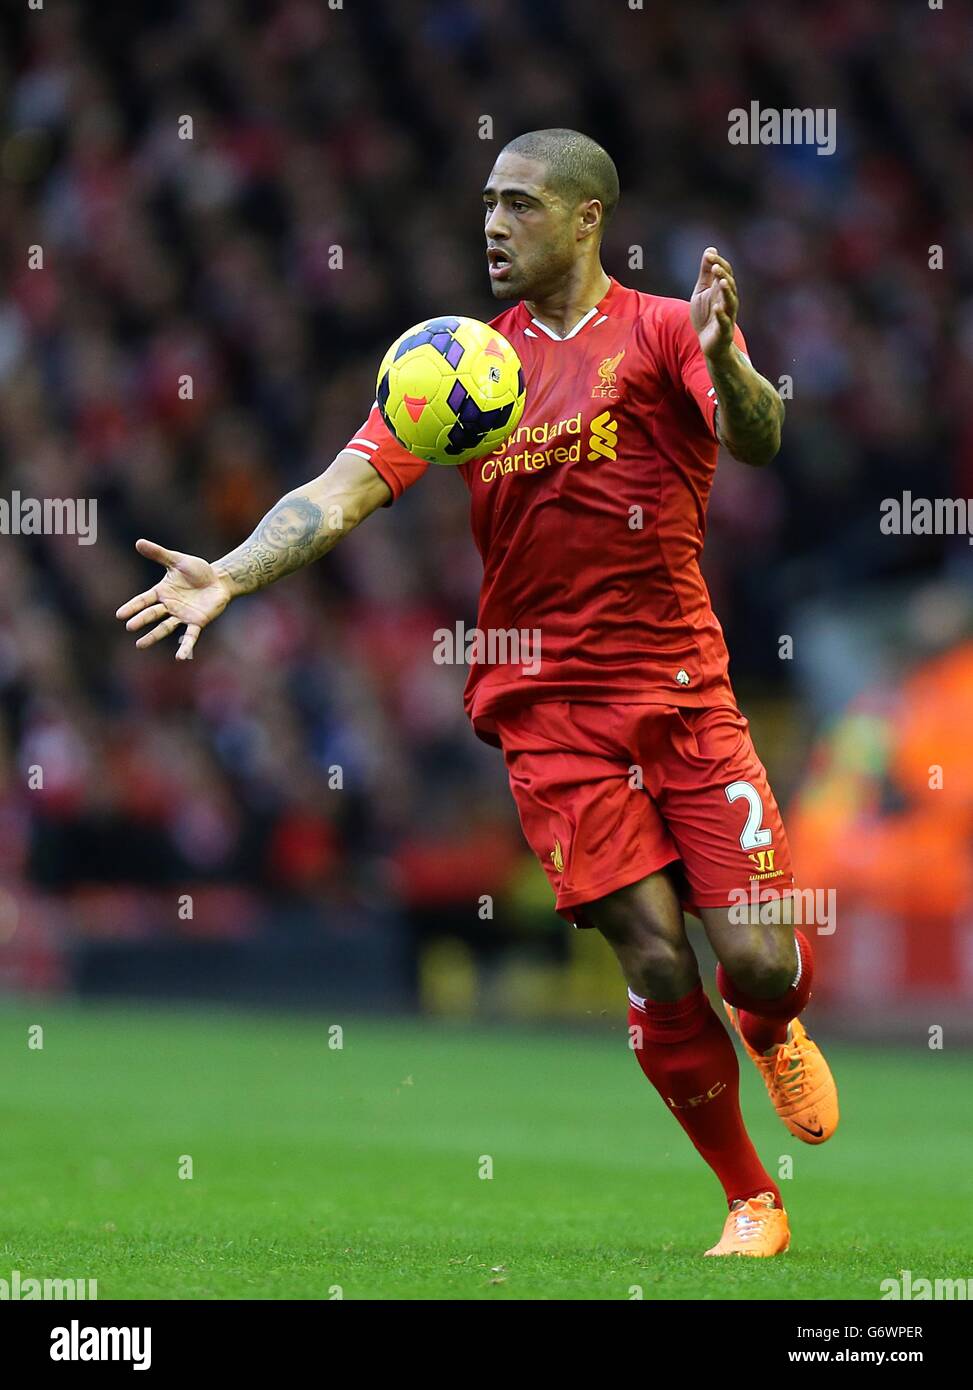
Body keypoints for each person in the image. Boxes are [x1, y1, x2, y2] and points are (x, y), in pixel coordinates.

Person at [117, 128, 838, 1257]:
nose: (493, 225)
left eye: (520, 204)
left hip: (684, 689)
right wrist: (233, 572)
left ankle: (772, 1022)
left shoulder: (660, 331)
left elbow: (759, 437)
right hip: (547, 710)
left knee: (758, 961)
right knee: (652, 955)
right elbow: (343, 489)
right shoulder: (457, 362)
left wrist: (732, 358)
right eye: (486, 204)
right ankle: (752, 1197)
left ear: (587, 216)